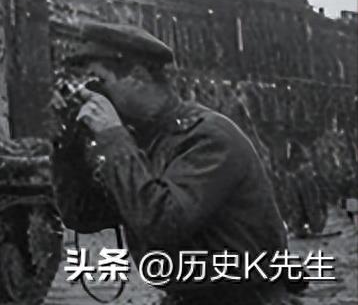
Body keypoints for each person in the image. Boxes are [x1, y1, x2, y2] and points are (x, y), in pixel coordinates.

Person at [53, 19, 297, 305]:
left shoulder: (208, 137)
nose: (95, 96)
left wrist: (113, 137)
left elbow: (161, 222)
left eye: (100, 82)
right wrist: (68, 148)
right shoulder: (144, 141)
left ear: (138, 76)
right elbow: (84, 216)